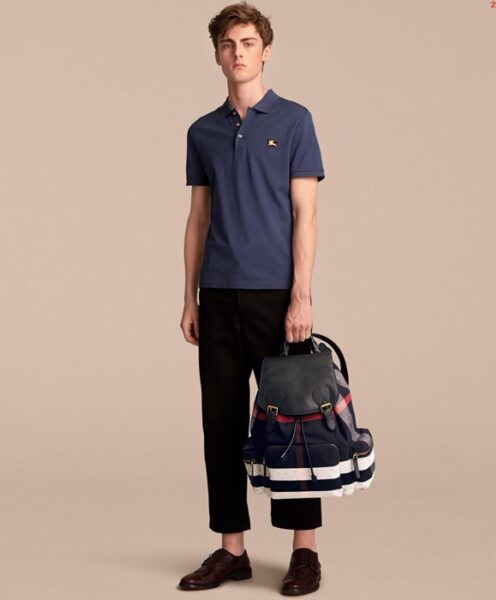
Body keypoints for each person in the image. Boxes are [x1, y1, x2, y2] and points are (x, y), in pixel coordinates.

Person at [178, 1, 325, 595]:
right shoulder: (202, 131)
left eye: (246, 43)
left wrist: (301, 297)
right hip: (217, 295)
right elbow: (197, 219)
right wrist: (189, 297)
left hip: (276, 297)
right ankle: (231, 549)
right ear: (217, 55)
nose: (237, 53)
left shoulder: (294, 121)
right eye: (227, 45)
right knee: (220, 425)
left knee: (292, 425)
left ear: (265, 51)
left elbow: (305, 214)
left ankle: (304, 552)